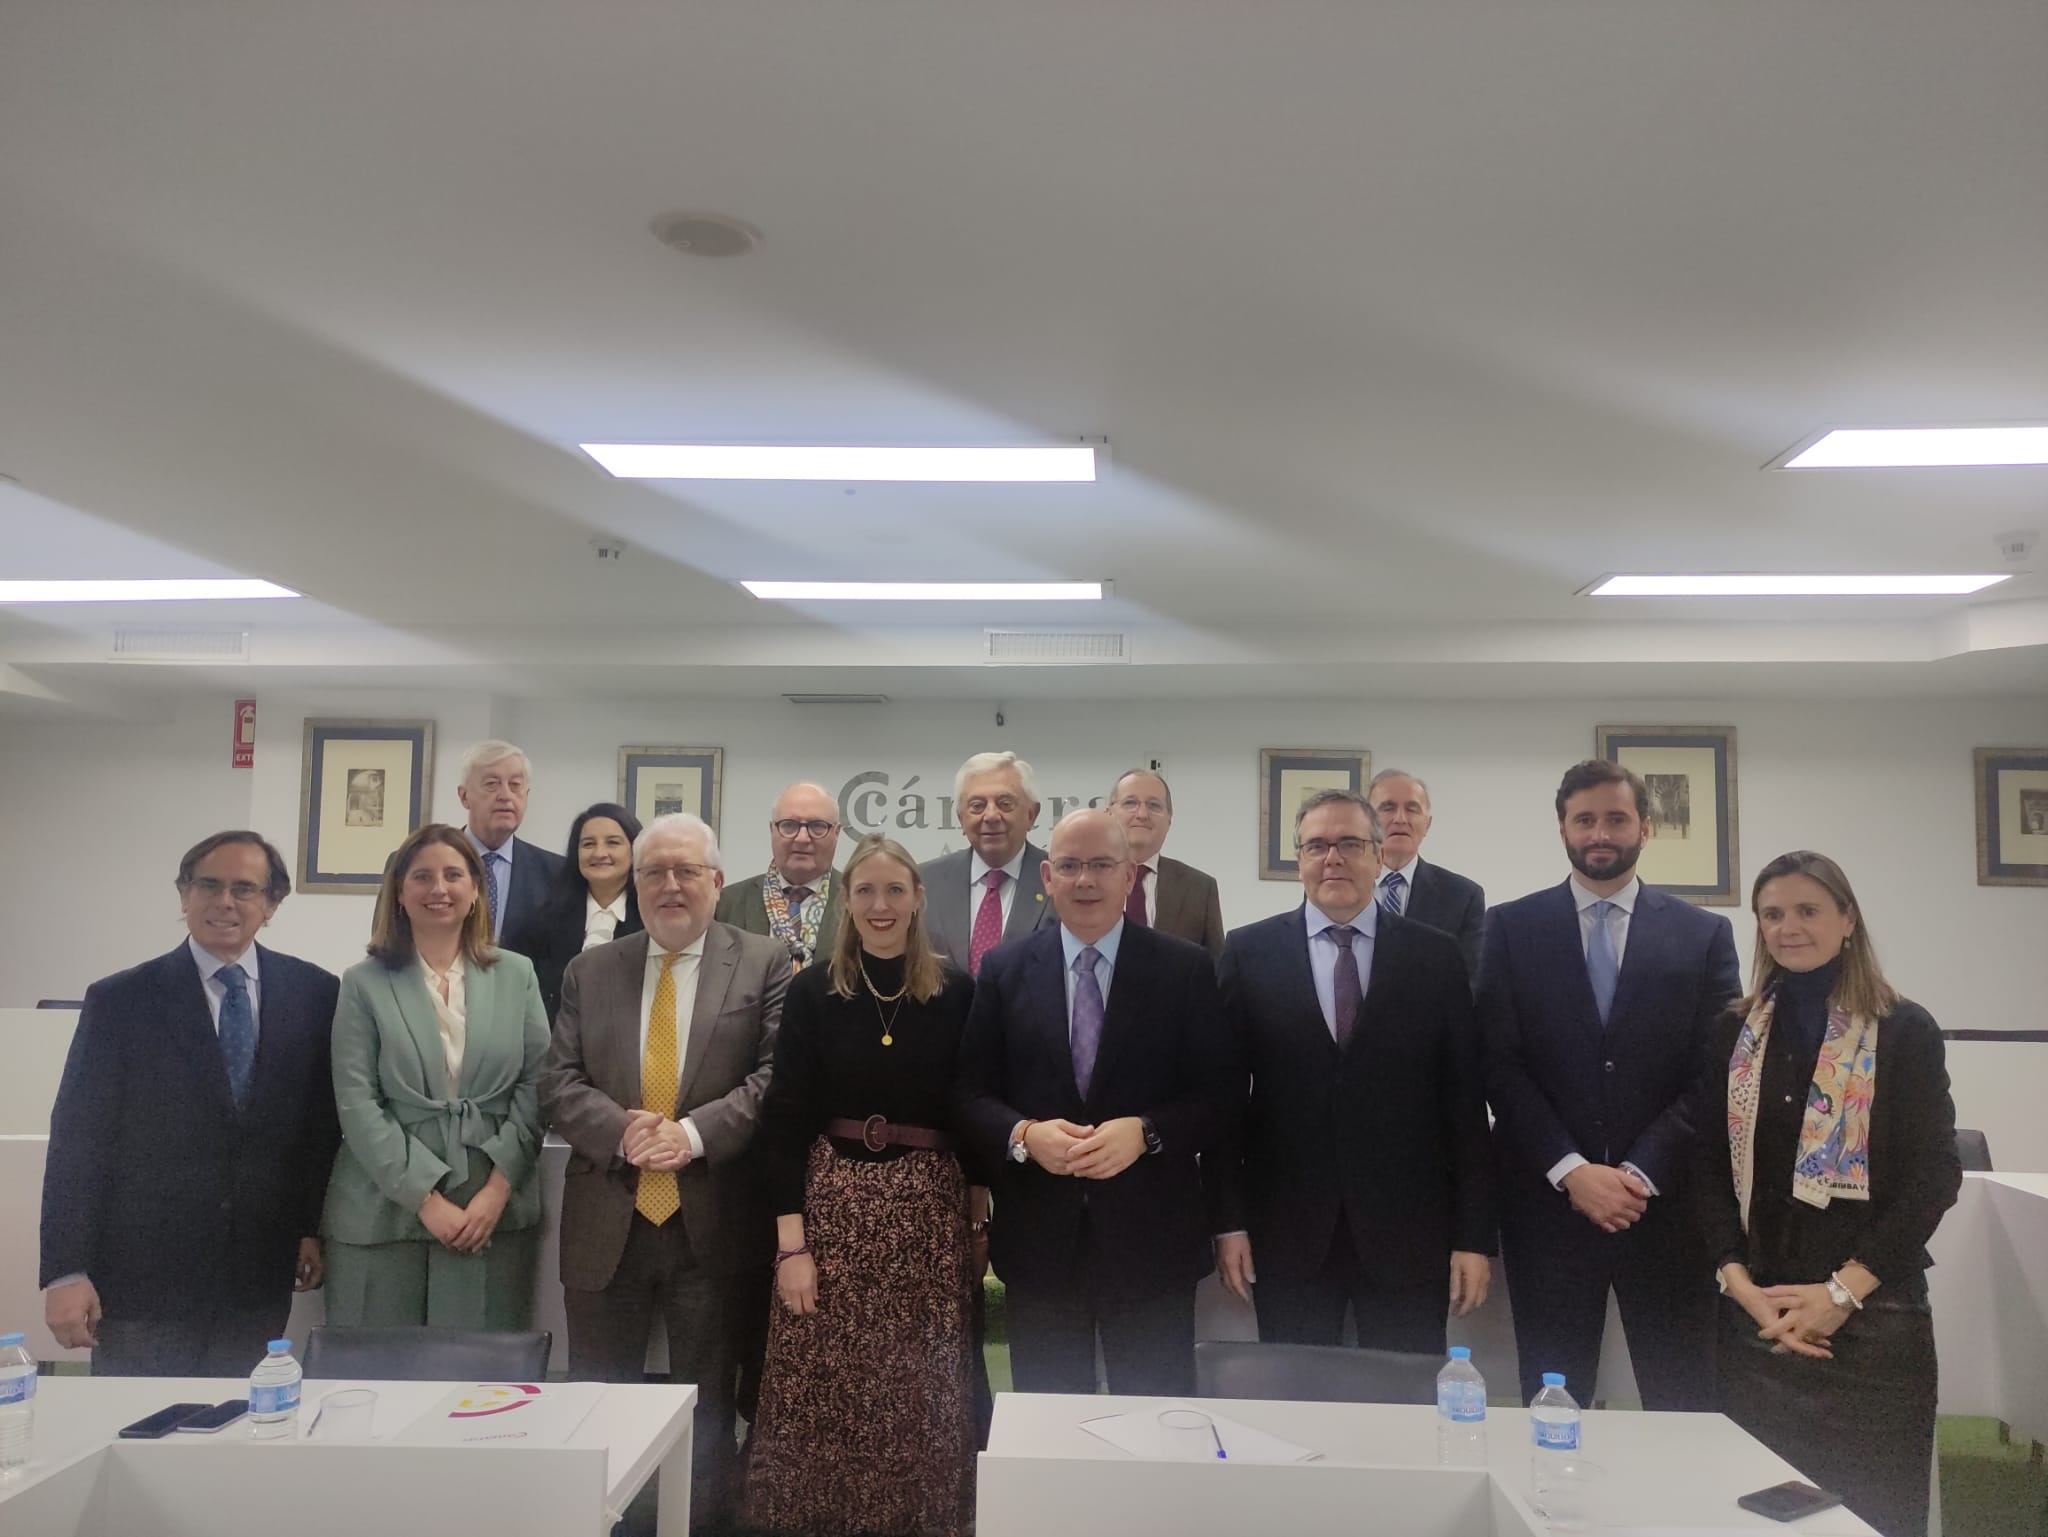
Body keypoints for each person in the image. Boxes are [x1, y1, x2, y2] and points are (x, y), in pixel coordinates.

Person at [1696, 852, 1960, 1537]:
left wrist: (1841, 1293)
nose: (1789, 927)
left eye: (1807, 910)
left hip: (1873, 1321)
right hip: (1759, 1318)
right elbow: (1707, 1165)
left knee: (1874, 1517)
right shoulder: (1733, 1032)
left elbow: (1935, 1175)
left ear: (1847, 920)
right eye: (1772, 914)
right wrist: (1736, 1279)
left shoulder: (1905, 1030)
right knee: (1751, 1517)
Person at [540, 812, 787, 1527]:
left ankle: (700, 1525)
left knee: (707, 1405)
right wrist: (626, 1133)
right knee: (598, 1404)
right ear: (635, 883)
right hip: (606, 1220)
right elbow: (557, 1081)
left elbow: (774, 1077)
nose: (670, 885)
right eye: (654, 872)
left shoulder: (764, 961)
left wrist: (690, 1134)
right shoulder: (590, 969)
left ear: (717, 880)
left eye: (686, 871)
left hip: (712, 1223)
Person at [1478, 760, 1740, 1409]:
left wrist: (1640, 1171)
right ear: (1563, 828)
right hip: (1548, 1208)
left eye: (1616, 818)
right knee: (1553, 1397)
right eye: (1585, 819)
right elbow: (1498, 1063)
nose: (1600, 833)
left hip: (1665, 1207)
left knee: (1684, 1399)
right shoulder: (1509, 927)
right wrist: (1571, 1170)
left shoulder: (1703, 933)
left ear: (1645, 827)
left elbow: (1715, 1070)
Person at [953, 809, 1239, 1396]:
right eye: (1069, 866)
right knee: (1052, 1425)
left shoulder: (1184, 969)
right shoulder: (1005, 969)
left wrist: (1147, 1131)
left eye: (1102, 865)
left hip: (1153, 1247)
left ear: (1129, 876)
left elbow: (1223, 1095)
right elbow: (969, 1094)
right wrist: (1024, 1135)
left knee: (1155, 1422)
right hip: (1040, 1247)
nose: (1085, 880)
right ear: (1047, 877)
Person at [742, 836, 981, 1537]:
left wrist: (976, 1223)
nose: (881, 905)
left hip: (927, 1217)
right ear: (846, 901)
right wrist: (792, 1246)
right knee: (823, 1391)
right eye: (867, 891)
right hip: (831, 1214)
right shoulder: (814, 990)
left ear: (918, 898)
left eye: (895, 890)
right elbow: (785, 1117)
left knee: (920, 1393)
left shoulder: (958, 991)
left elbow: (970, 1114)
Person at [40, 831, 339, 1375]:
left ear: (272, 904)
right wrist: (66, 1270)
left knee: (239, 1422)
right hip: (141, 1282)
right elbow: (78, 1140)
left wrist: (309, 1226)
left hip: (257, 1277)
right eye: (209, 885)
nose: (225, 901)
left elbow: (317, 1130)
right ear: (184, 894)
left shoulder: (315, 994)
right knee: (135, 1423)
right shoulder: (121, 1000)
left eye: (244, 889)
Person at [1213, 789, 1494, 1354]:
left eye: (1349, 843)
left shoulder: (1435, 956)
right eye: (1316, 845)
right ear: (1299, 860)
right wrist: (1229, 1223)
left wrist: (1473, 1237)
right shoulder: (1248, 953)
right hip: (1286, 1231)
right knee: (1295, 1396)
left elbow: (1463, 1104)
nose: (1333, 858)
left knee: (1405, 1398)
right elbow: (1224, 1102)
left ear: (1378, 855)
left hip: (1408, 1233)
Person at [320, 823, 549, 1328]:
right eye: (422, 877)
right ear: (400, 893)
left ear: (476, 890)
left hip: (492, 1208)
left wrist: (497, 1190)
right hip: (382, 1209)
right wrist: (424, 1199)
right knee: (378, 1368)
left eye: (453, 875)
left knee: (480, 1370)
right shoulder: (363, 983)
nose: (439, 888)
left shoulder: (518, 975)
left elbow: (538, 1087)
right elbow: (357, 1102)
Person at [504, 802, 645, 1022]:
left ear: (635, 850)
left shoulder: (651, 921)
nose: (599, 853)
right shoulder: (541, 922)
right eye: (588, 844)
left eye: (613, 843)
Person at [922, 751, 1055, 976]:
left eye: (1005, 804)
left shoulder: (1061, 880)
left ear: (1031, 815)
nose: (991, 815)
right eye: (977, 806)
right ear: (961, 819)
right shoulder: (925, 882)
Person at [1367, 769, 1485, 981]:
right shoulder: (1341, 887)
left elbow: (1469, 981)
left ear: (1427, 824)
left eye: (1412, 809)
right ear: (1367, 822)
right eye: (1387, 808)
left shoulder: (1463, 896)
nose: (1400, 819)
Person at [716, 782, 845, 972]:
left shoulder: (858, 904)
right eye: (789, 825)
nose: (802, 838)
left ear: (836, 833)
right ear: (772, 830)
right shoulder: (724, 905)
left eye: (817, 826)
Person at [1105, 767, 1226, 955]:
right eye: (1130, 803)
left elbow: (1215, 966)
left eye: (1154, 806)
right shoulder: (1080, 880)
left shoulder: (1200, 888)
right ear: (1109, 814)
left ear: (1169, 820)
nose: (1142, 814)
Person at [455, 739, 563, 941]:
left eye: (515, 786)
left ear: (527, 795)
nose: (505, 795)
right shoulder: (419, 864)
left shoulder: (556, 873)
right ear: (464, 796)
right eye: (491, 784)